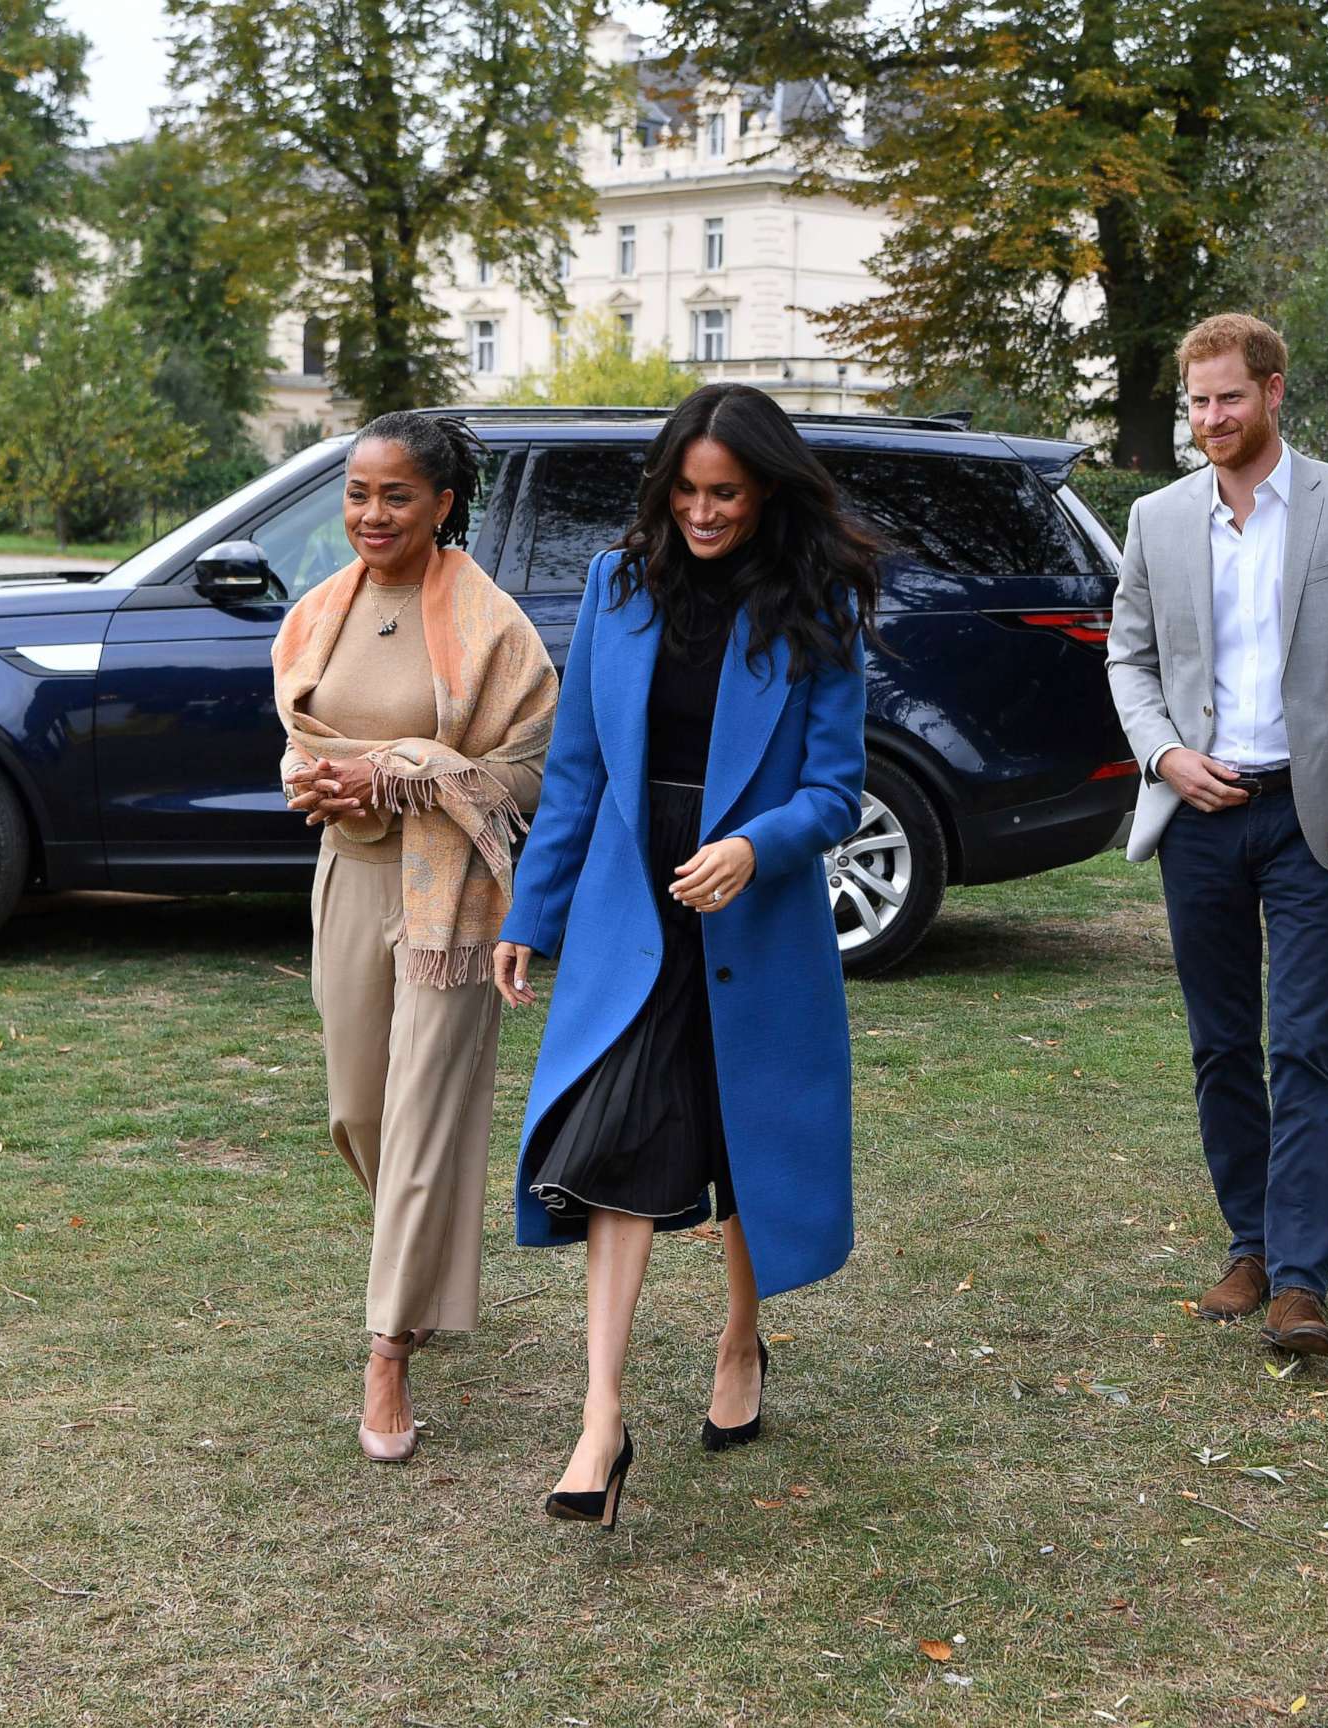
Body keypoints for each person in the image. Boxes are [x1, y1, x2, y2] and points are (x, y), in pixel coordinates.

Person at [491, 383, 876, 1528]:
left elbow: (837, 791)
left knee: (746, 1132)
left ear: (764, 493)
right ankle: (600, 1418)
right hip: (632, 900)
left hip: (752, 909)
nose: (704, 514)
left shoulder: (819, 606)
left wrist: (756, 849)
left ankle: (742, 1340)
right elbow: (576, 769)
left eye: (728, 494)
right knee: (614, 1132)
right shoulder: (618, 586)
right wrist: (531, 913)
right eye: (688, 491)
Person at [1106, 314, 1328, 1358]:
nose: (1209, 419)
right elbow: (1129, 660)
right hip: (1199, 815)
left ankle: (1299, 1281)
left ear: (1275, 391)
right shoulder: (1156, 519)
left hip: (1311, 817)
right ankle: (1247, 1244)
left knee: (1304, 1047)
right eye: (1196, 401)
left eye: (1228, 398)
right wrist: (1163, 756)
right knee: (1221, 1047)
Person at [271, 411, 557, 1462]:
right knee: (358, 1111)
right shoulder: (316, 615)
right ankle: (421, 1269)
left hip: (454, 900)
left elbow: (530, 770)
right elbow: (301, 744)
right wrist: (323, 783)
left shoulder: (493, 626)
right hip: (350, 876)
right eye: (357, 492)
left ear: (442, 503)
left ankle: (387, 1350)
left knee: (429, 1113)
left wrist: (400, 768)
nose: (371, 513)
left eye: (396, 495)